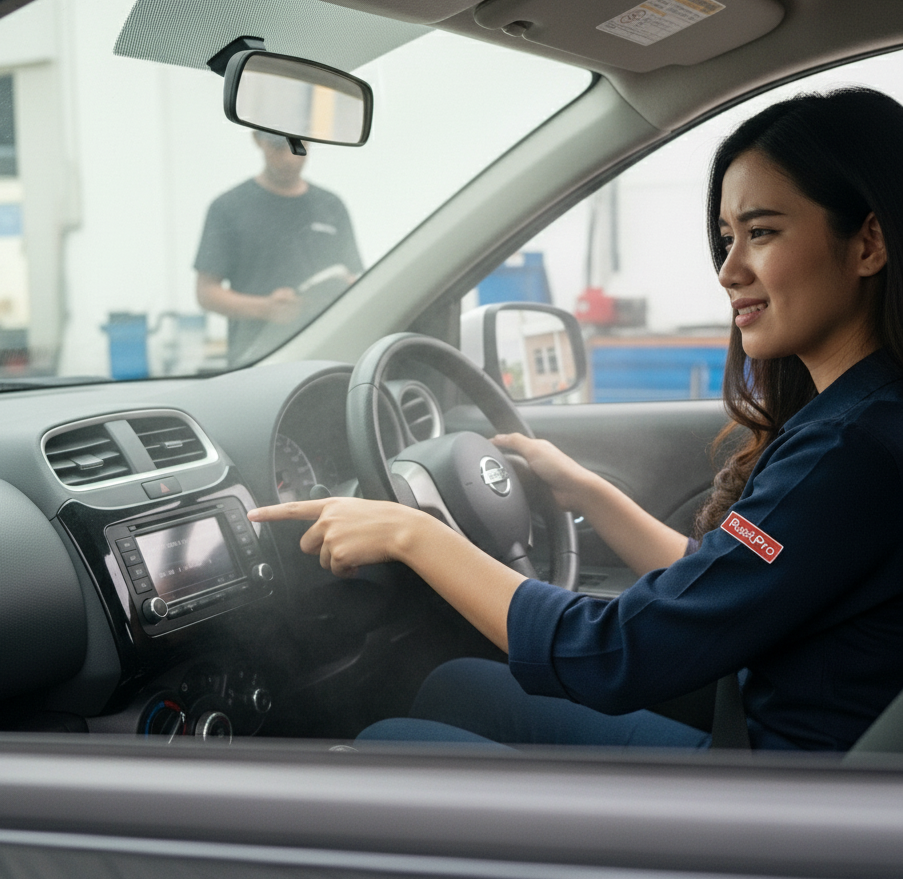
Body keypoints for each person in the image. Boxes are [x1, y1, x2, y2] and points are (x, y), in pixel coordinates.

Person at [249, 88, 903, 752]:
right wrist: (593, 494)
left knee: (387, 742)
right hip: (794, 759)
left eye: (760, 233)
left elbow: (619, 655)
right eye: (727, 238)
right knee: (457, 687)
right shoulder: (865, 418)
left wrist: (413, 535)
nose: (729, 270)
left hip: (789, 815)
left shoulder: (847, 449)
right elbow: (726, 587)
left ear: (868, 243)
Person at [195, 130, 363, 366]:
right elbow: (206, 293)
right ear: (257, 139)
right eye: (278, 147)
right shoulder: (228, 208)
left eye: (299, 146)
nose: (290, 158)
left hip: (323, 358)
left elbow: (351, 280)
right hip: (254, 361)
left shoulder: (331, 206)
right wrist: (265, 309)